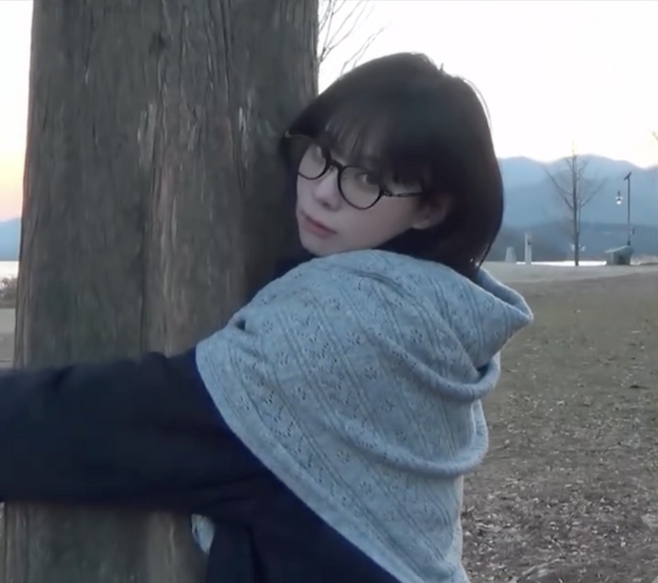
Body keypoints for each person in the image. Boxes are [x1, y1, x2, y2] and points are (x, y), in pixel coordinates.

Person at [0, 52, 532, 583]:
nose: (323, 191)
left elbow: (107, 424)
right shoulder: (433, 324)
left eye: (367, 179)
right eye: (322, 153)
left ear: (431, 209)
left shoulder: (338, 337)